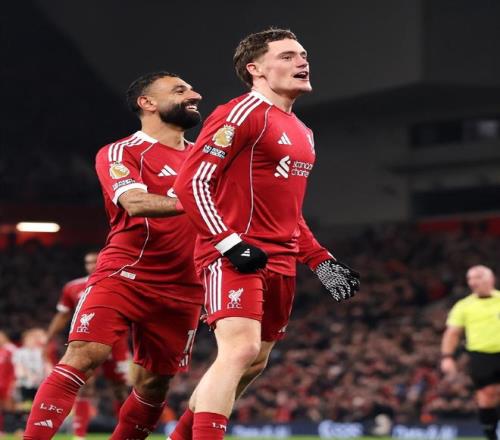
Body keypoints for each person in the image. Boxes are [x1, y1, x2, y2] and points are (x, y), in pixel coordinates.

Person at [168, 28, 360, 440]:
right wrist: (229, 243)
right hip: (234, 255)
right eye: (287, 56)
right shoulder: (241, 112)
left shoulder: (304, 133)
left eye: (303, 55)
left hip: (282, 260)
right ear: (255, 69)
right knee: (241, 350)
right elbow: (191, 183)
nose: (302, 61)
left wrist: (321, 261)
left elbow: (291, 214)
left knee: (254, 362)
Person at [23, 71, 204, 440]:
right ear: (147, 103)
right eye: (180, 90)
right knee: (84, 355)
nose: (195, 95)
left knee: (155, 384)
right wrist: (199, 201)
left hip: (186, 287)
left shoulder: (206, 161)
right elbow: (133, 202)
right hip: (126, 273)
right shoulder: (121, 151)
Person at [44, 250, 130, 440]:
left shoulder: (122, 282)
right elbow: (63, 315)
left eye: (94, 261)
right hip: (87, 340)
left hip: (117, 344)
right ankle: (79, 435)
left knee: (119, 389)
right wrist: (49, 337)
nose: (91, 265)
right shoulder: (73, 287)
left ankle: (124, 432)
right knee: (84, 385)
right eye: (88, 262)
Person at [441, 265, 500, 440]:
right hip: (481, 355)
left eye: (478, 277)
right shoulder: (464, 306)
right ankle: (491, 435)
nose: (473, 281)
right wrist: (447, 357)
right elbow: (452, 333)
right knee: (487, 395)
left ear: (491, 279)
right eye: (470, 278)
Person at [0, 331, 16, 436]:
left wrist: (14, 381)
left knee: (11, 407)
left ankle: (15, 428)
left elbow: (16, 365)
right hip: (2, 383)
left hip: (8, 383)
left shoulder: (10, 349)